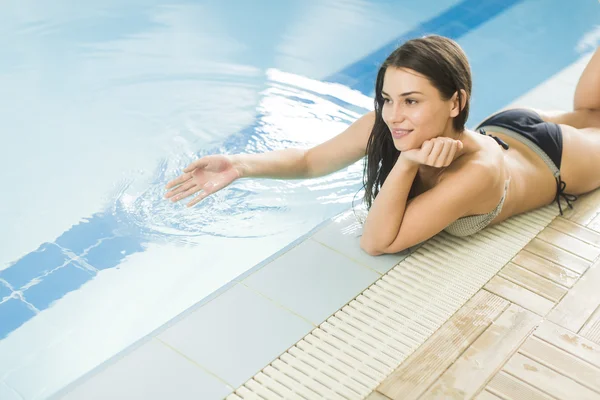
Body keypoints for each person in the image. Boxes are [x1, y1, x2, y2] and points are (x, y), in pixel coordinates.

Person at [165, 35, 600, 256]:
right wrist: (241, 164)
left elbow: (377, 243)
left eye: (411, 101)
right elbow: (310, 160)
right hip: (509, 128)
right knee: (589, 109)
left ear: (456, 101)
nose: (393, 116)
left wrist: (406, 165)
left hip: (558, 158)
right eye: (388, 99)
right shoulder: (390, 124)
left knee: (593, 117)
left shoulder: (475, 172)